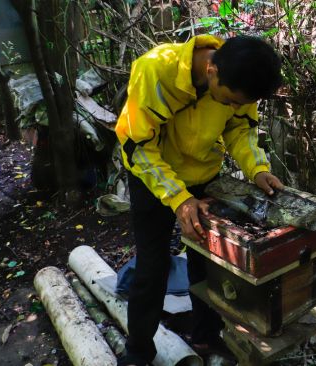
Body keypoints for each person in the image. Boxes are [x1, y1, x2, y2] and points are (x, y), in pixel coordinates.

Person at [114, 34, 284, 366]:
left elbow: (240, 129)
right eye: (230, 100)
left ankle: (206, 339)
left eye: (240, 102)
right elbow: (138, 145)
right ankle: (138, 353)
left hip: (204, 176)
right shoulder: (154, 70)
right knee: (153, 266)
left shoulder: (239, 78)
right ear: (211, 70)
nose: (234, 107)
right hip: (151, 176)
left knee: (209, 264)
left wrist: (257, 168)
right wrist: (179, 199)